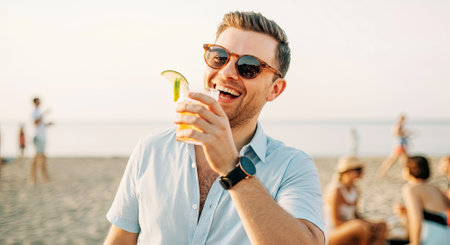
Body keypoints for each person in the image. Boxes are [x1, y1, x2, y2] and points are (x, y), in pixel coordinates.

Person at [104, 11, 325, 245]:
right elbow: (120, 239)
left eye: (248, 66)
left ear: (275, 89)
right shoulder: (151, 149)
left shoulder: (293, 167)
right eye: (219, 57)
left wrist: (233, 169)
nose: (226, 72)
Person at [324, 156, 387, 245]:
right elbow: (336, 221)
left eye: (361, 169)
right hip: (333, 232)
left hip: (351, 227)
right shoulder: (336, 190)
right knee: (361, 228)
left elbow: (356, 215)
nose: (361, 172)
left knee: (381, 226)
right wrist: (359, 224)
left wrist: (369, 223)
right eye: (358, 169)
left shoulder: (355, 190)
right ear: (347, 171)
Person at [393, 156, 450, 245]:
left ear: (409, 170)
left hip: (431, 234)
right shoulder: (435, 188)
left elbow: (416, 219)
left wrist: (415, 243)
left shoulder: (410, 188)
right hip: (446, 234)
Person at [28, 97, 52, 184]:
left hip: (42, 137)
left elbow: (41, 125)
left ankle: (39, 177)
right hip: (38, 137)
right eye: (38, 101)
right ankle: (35, 177)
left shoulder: (38, 112)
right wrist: (44, 114)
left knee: (40, 157)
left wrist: (47, 124)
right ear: (35, 102)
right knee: (39, 157)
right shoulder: (35, 112)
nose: (39, 103)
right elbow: (35, 123)